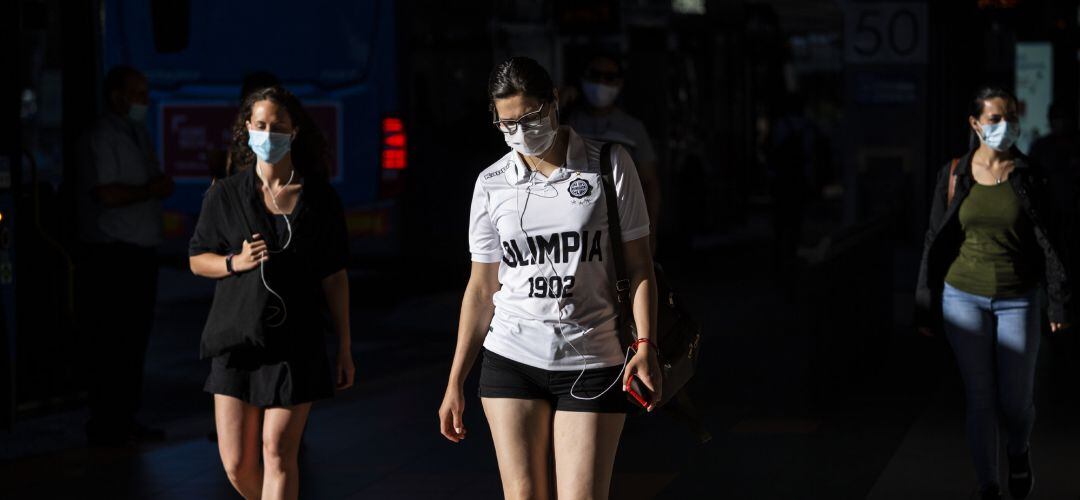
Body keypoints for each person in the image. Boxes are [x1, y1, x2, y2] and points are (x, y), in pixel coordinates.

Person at [438, 56, 660, 500]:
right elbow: (482, 289)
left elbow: (640, 266)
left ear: (554, 102)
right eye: (508, 124)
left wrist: (646, 346)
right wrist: (455, 381)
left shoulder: (608, 165)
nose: (521, 132)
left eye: (531, 117)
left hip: (593, 358)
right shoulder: (491, 183)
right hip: (510, 358)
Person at [189, 85, 354, 500]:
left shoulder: (318, 198)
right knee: (237, 466)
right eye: (260, 125)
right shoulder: (225, 194)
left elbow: (334, 276)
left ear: (294, 131)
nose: (268, 133)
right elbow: (196, 258)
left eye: (277, 126)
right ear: (247, 128)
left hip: (296, 344)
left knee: (278, 450)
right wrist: (233, 262)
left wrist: (345, 346)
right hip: (236, 342)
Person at [915, 86, 1072, 500]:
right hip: (962, 297)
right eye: (995, 119)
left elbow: (1052, 240)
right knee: (980, 398)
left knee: (1016, 403)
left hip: (1019, 297)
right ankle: (989, 485)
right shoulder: (953, 174)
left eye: (1011, 118)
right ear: (975, 124)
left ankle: (1018, 449)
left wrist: (1057, 299)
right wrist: (924, 303)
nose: (1005, 126)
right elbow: (935, 239)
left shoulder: (1030, 174)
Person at [77, 65, 173, 446]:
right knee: (114, 341)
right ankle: (108, 420)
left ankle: (125, 417)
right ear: (117, 96)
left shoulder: (135, 132)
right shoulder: (102, 137)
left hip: (139, 253)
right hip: (114, 256)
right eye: (138, 94)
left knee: (134, 341)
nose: (144, 102)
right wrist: (150, 190)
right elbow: (106, 194)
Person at [565, 53, 662, 251]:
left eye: (609, 77)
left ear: (620, 83)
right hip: (573, 224)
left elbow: (649, 183)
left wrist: (650, 232)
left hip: (620, 224)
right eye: (595, 75)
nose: (601, 82)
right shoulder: (566, 123)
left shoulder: (633, 128)